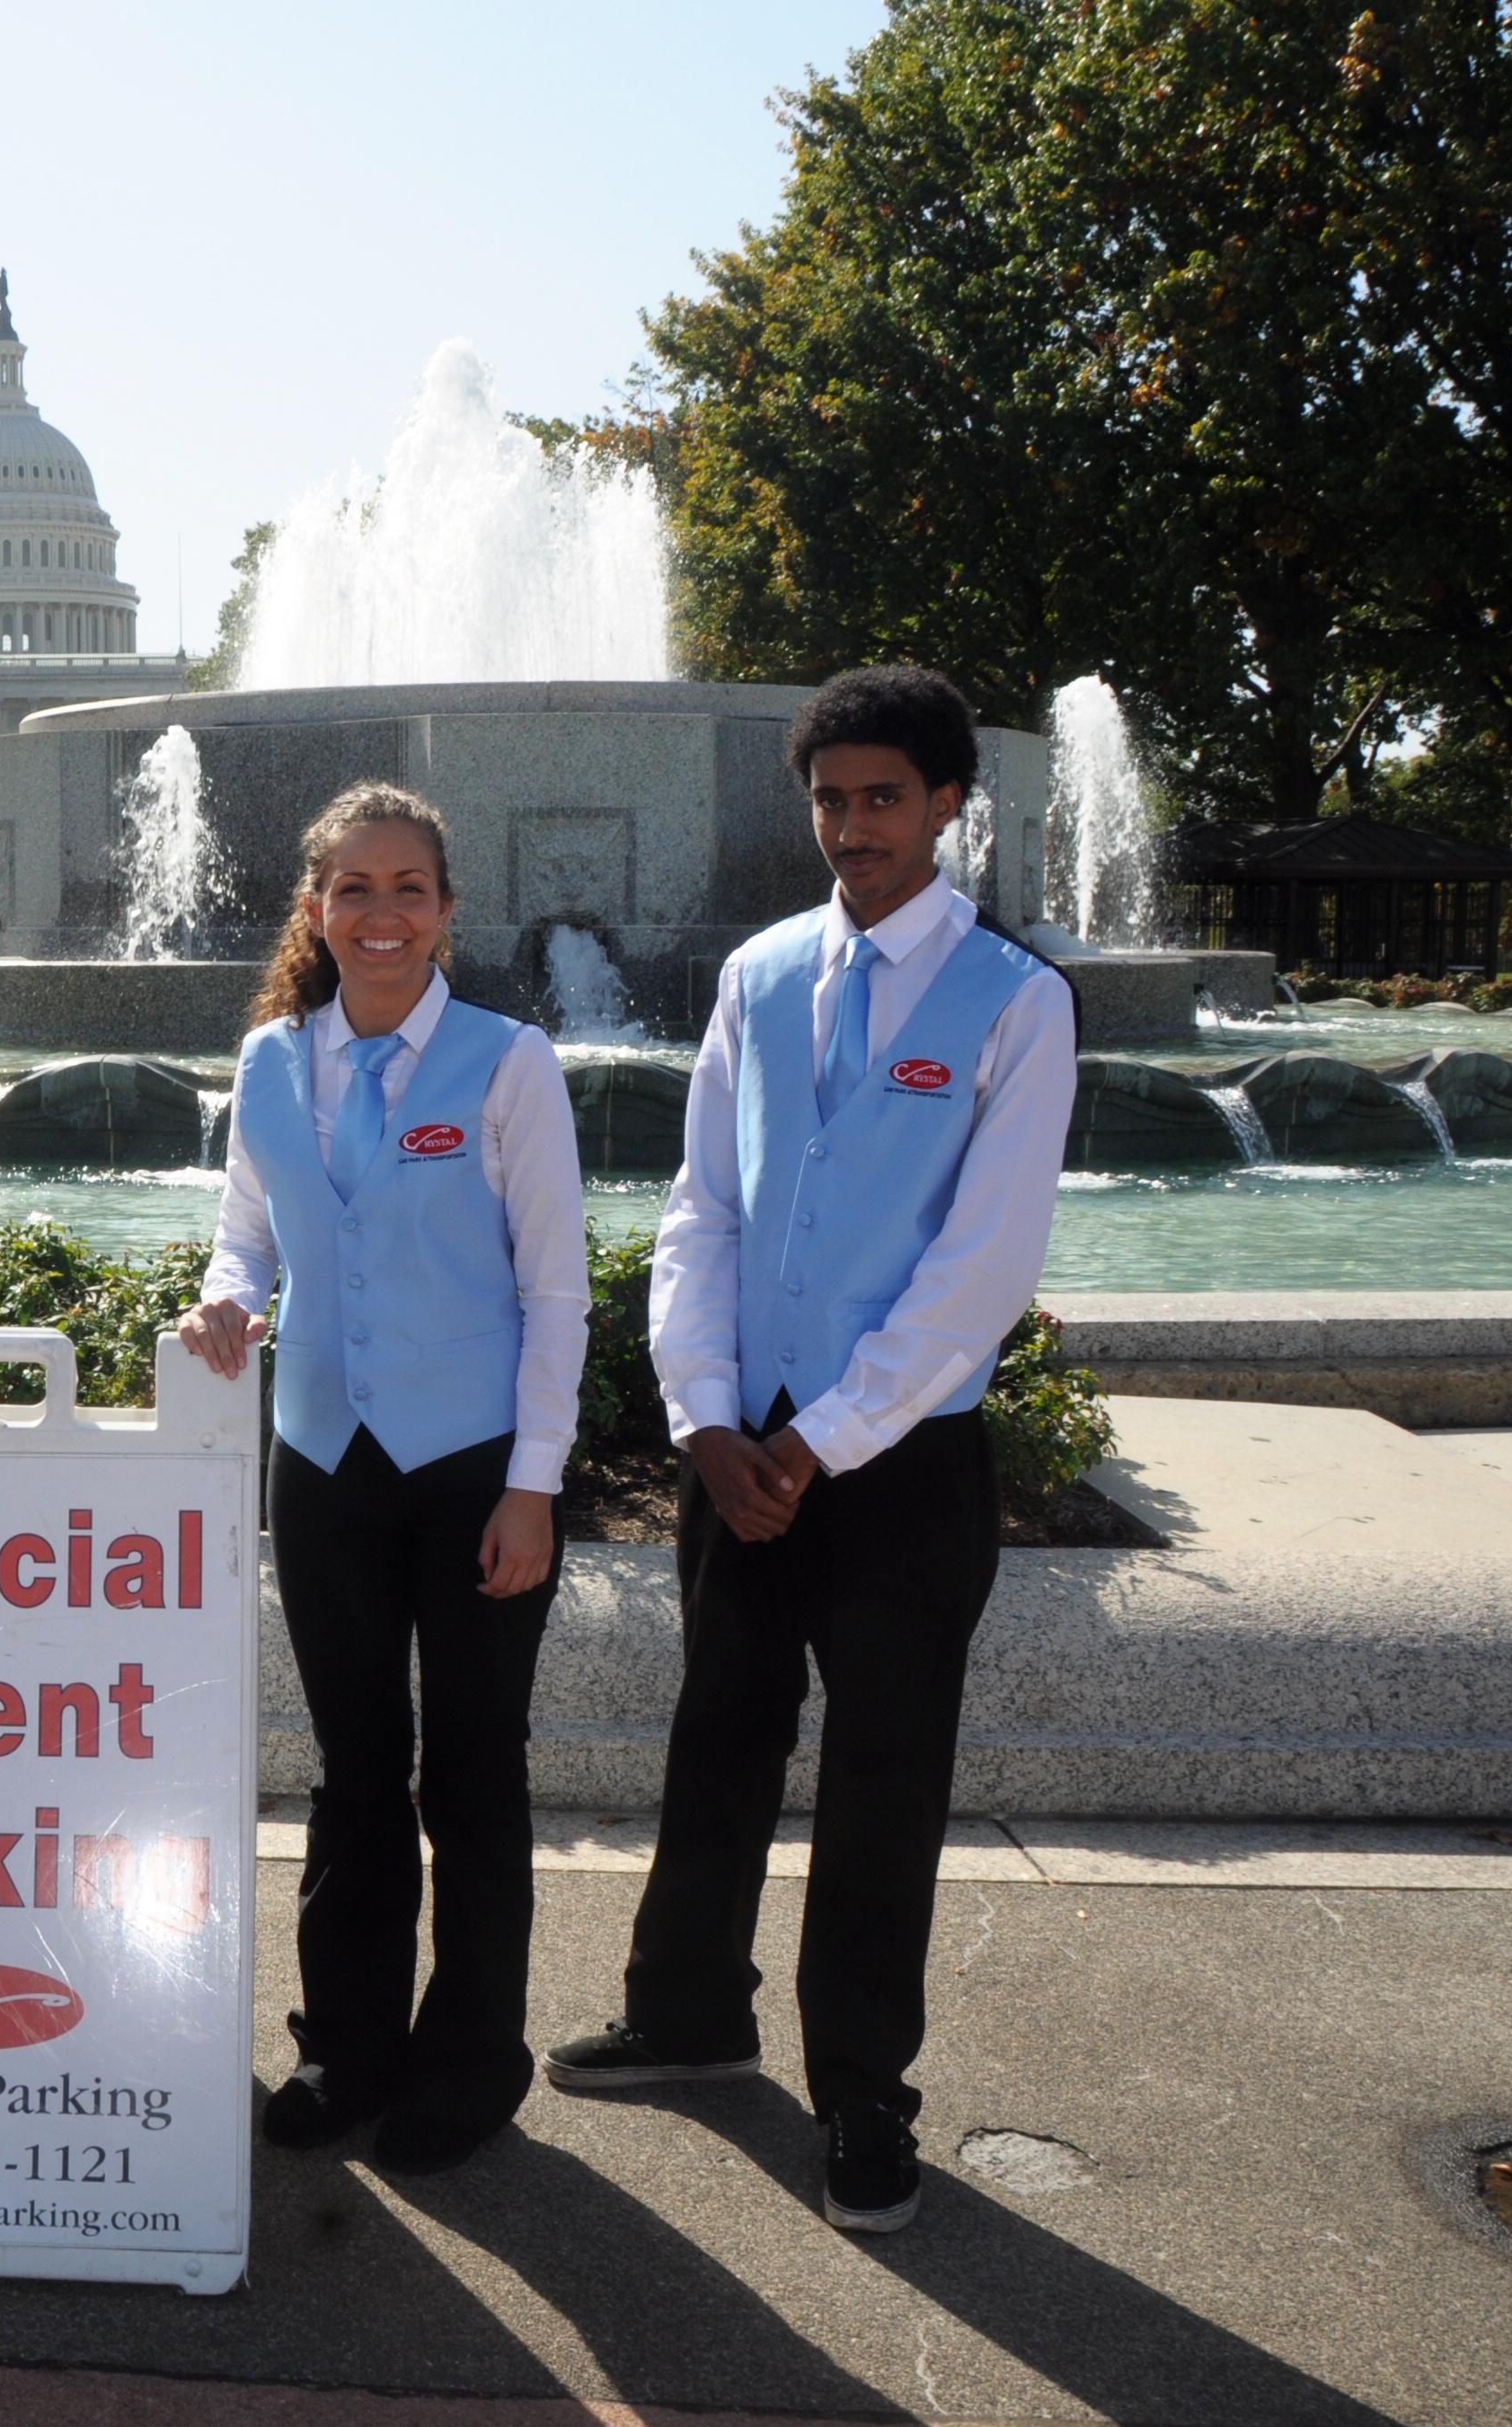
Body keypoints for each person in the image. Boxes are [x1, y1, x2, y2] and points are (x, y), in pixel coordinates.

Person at [543, 666, 1076, 2234]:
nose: (853, 826)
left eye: (884, 798)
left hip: (903, 1464)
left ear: (948, 803)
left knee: (884, 1782)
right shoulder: (762, 974)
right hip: (742, 1450)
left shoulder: (1018, 999)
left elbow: (986, 1264)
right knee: (717, 1731)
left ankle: (863, 2098)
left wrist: (824, 1442)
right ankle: (690, 2011)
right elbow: (702, 1206)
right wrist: (706, 1413)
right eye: (831, 799)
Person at [176, 782, 588, 2177]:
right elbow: (249, 1235)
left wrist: (535, 1484)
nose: (383, 913)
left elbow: (557, 1289)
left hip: (475, 1469)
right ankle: (344, 2040)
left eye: (409, 886)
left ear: (447, 909)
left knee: (473, 1774)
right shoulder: (270, 1064)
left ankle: (473, 2059)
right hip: (324, 1466)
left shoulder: (508, 1060)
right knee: (354, 1771)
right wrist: (226, 1302)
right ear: (316, 910)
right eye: (354, 887)